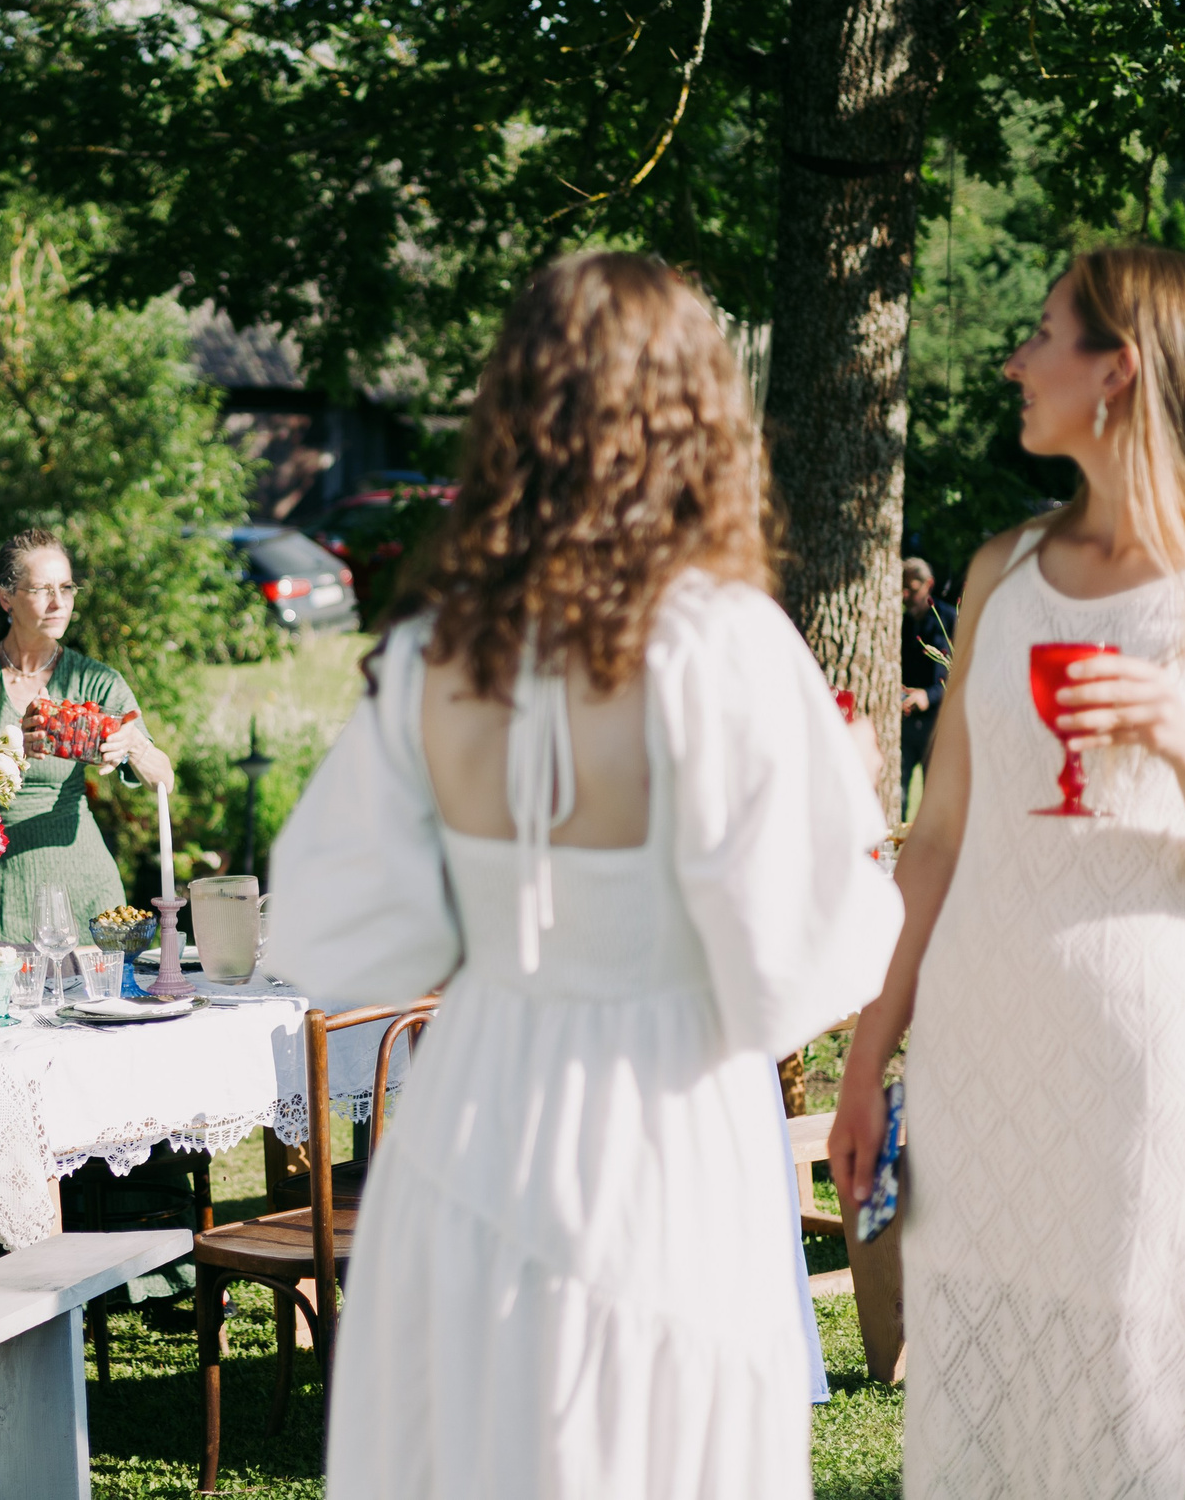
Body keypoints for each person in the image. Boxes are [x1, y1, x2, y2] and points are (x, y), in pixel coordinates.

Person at [268, 253, 903, 1496]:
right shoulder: (718, 643)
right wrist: (855, 805)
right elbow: (787, 965)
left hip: (472, 1114)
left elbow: (342, 932)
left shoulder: (440, 650)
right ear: (692, 415)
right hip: (661, 1124)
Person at [826, 247, 1185, 1500]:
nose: (1014, 359)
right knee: (983, 1439)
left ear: (1118, 370)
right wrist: (866, 1059)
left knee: (1141, 1434)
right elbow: (941, 837)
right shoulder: (1000, 571)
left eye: (1043, 333)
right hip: (974, 1080)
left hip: (1139, 1090)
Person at [0, 529, 176, 941]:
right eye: (42, 590)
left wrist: (134, 747)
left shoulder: (95, 680)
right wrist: (9, 749)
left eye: (66, 588)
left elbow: (164, 780)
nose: (59, 603)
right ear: (6, 597)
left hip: (83, 889)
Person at [900, 556, 958, 814]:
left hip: (938, 723)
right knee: (898, 792)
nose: (906, 596)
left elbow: (957, 672)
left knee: (934, 801)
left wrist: (929, 695)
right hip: (906, 720)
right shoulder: (903, 622)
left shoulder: (950, 620)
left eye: (912, 590)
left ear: (929, 585)